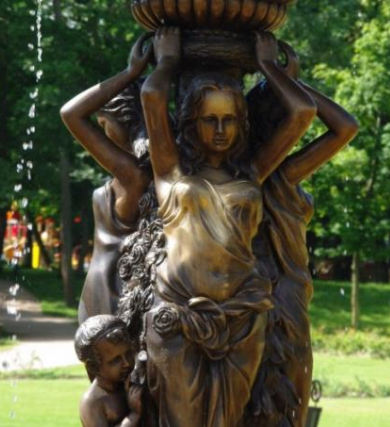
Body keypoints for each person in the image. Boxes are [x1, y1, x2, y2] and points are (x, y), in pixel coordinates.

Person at [138, 27, 317, 427]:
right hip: (180, 313)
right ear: (192, 123)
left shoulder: (251, 173)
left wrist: (269, 67)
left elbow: (303, 113)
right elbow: (152, 97)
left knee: (229, 420)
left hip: (243, 315)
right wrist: (166, 61)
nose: (220, 130)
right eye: (209, 120)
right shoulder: (170, 173)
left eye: (230, 120)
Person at [245, 42, 359, 426]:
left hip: (282, 290)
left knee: (280, 399)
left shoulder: (272, 174)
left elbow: (340, 125)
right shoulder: (278, 176)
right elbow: (344, 126)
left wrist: (281, 78)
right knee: (288, 401)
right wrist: (282, 76)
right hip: (281, 292)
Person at [60, 34, 155, 324]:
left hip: (111, 289)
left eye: (104, 123)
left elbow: (71, 114)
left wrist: (132, 72)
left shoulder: (133, 175)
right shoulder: (135, 174)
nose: (100, 130)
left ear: (127, 121)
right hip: (112, 286)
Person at [74, 315, 142, 427]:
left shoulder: (130, 384)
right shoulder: (92, 402)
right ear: (93, 366)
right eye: (115, 360)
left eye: (128, 353)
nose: (126, 363)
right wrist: (134, 414)